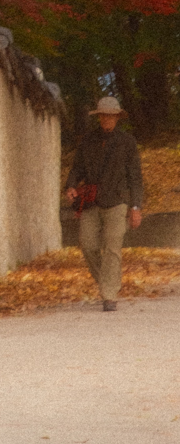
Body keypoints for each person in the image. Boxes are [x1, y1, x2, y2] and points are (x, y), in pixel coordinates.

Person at [67, 92, 144, 313]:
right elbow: (77, 168)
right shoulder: (88, 140)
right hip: (91, 202)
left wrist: (136, 207)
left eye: (111, 116)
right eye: (103, 116)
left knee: (112, 248)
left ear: (118, 117)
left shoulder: (127, 142)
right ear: (98, 117)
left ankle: (109, 295)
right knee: (88, 245)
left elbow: (135, 177)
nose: (106, 120)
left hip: (117, 202)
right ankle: (108, 281)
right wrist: (71, 186)